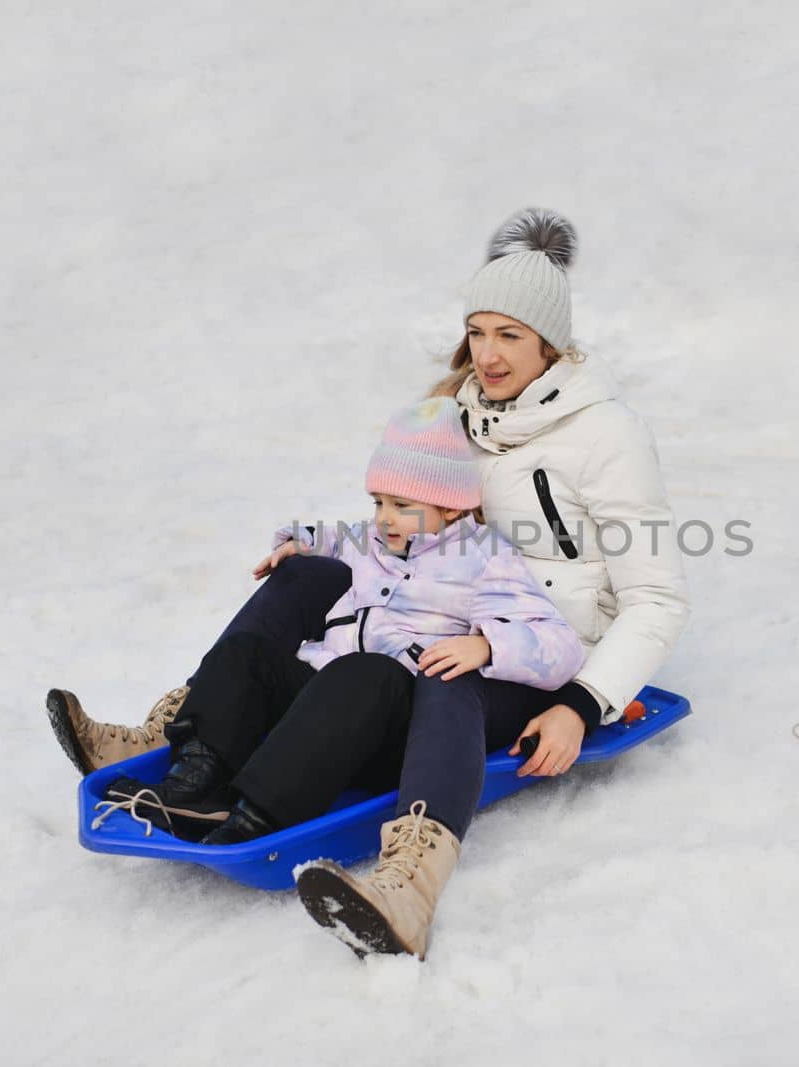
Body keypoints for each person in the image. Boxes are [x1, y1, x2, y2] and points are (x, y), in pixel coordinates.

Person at [54, 208, 691, 958]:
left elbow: (657, 597)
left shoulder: (606, 434)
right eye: (477, 332)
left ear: (551, 343)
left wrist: (583, 705)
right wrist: (315, 546)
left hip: (539, 656)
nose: (487, 355)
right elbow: (405, 525)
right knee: (312, 574)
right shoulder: (461, 413)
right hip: (430, 624)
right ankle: (176, 727)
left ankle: (409, 884)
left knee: (444, 671)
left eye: (509, 336)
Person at [95, 396, 585, 848]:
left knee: (365, 671)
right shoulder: (375, 540)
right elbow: (335, 537)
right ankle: (192, 784)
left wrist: (487, 646)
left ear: (452, 507)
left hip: (399, 730)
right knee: (247, 655)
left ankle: (260, 814)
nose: (385, 519)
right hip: (326, 715)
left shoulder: (483, 558)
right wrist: (298, 543)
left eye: (403, 506)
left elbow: (559, 646)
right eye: (378, 503)